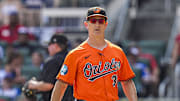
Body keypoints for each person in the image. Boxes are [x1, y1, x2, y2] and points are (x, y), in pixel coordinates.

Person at [51, 7, 138, 101]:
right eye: (93, 21)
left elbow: (127, 82)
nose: (97, 25)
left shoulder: (117, 52)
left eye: (101, 21)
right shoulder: (75, 54)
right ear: (86, 24)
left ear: (106, 24)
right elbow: (61, 85)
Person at [27, 34, 73, 101]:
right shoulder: (72, 59)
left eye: (49, 45)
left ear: (55, 46)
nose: (48, 48)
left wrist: (32, 84)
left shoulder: (53, 61)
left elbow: (48, 85)